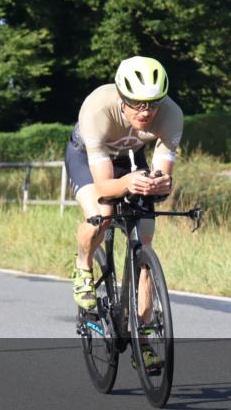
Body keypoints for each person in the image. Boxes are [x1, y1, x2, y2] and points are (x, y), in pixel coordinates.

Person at [65, 56, 183, 369]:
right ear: (121, 97)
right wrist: (127, 183)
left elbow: (163, 173)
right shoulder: (96, 110)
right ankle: (83, 264)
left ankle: (142, 343)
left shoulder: (172, 115)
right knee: (101, 216)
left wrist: (160, 183)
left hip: (131, 160)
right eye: (137, 104)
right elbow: (104, 186)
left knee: (144, 246)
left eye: (153, 104)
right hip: (88, 160)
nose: (146, 112)